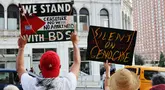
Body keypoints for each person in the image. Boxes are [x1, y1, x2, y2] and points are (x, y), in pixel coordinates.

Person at [16, 31, 81, 90]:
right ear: (59, 67)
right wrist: (75, 43)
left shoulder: (32, 84)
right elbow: (77, 63)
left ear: (39, 67)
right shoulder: (67, 84)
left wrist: (21, 47)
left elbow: (20, 68)